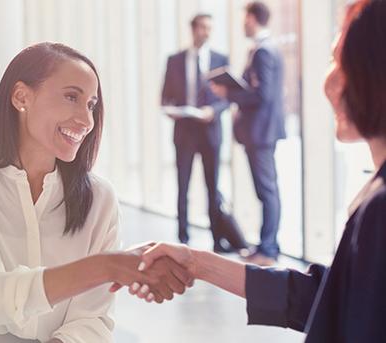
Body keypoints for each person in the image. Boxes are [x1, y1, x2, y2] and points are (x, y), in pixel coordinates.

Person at [134, 1, 386, 341]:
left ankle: (268, 243)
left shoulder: (379, 209)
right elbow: (326, 297)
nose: (327, 82)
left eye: (337, 60)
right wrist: (198, 263)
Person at [0, 42, 193, 343]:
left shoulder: (100, 199)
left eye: (91, 105)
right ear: (21, 97)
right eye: (71, 97)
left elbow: (92, 321)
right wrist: (104, 267)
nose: (87, 120)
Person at [209, 1, 286, 265]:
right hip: (260, 132)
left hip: (260, 132)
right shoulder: (265, 49)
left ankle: (268, 249)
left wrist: (227, 93)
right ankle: (265, 246)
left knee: (267, 191)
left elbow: (261, 94)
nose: (242, 24)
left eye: (244, 19)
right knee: (266, 190)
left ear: (253, 18)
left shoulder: (263, 51)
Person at [161, 14, 245, 252]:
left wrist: (214, 110)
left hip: (210, 131)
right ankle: (183, 237)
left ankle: (217, 240)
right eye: (203, 28)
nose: (206, 32)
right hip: (184, 130)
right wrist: (171, 111)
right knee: (183, 185)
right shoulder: (175, 60)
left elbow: (227, 98)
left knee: (212, 186)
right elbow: (165, 97)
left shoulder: (220, 59)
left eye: (210, 28)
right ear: (193, 29)